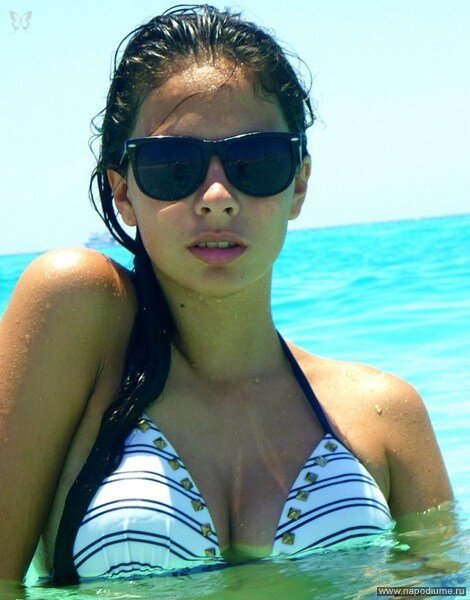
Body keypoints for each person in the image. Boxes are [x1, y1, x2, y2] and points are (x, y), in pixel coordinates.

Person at [0, 4, 453, 586]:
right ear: (123, 193)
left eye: (255, 161)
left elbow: (442, 585)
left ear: (299, 183)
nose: (217, 196)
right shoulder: (75, 310)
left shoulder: (386, 416)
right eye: (172, 165)